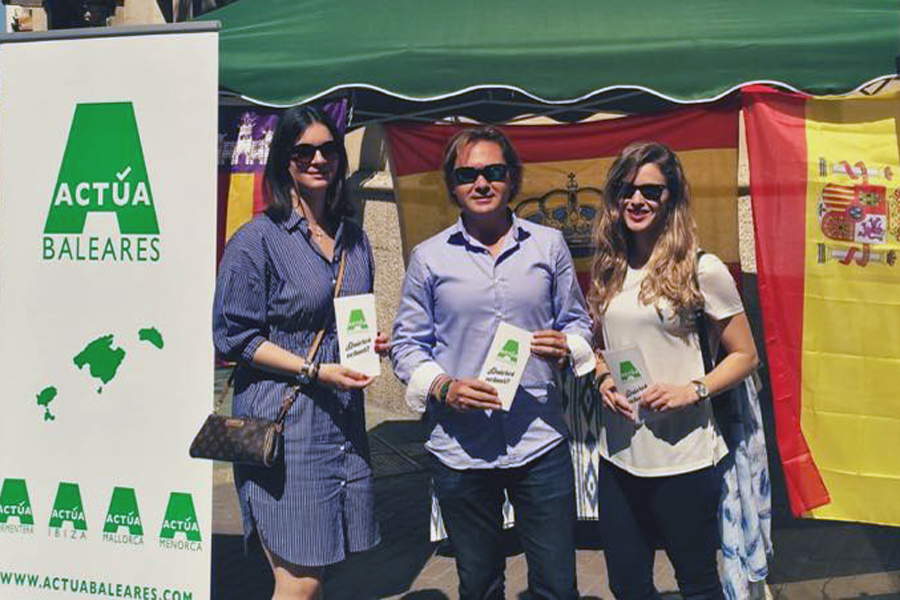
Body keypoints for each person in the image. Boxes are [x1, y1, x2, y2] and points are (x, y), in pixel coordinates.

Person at [391, 125, 595, 600]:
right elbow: (407, 345)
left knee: (557, 585)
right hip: (460, 448)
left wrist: (568, 345)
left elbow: (578, 322)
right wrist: (443, 387)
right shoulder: (428, 258)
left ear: (511, 178)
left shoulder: (548, 245)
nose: (481, 183)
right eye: (467, 175)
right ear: (452, 184)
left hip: (538, 440)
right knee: (479, 585)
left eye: (493, 172)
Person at [213, 106, 386, 600]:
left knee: (316, 573)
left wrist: (369, 343)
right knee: (301, 582)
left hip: (341, 423)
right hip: (285, 424)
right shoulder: (256, 240)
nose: (318, 159)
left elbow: (343, 319)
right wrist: (314, 369)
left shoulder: (355, 239)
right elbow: (233, 337)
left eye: (328, 149)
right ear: (284, 162)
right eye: (303, 151)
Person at [589, 141, 759, 600]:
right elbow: (601, 348)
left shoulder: (702, 268)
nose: (636, 200)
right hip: (618, 456)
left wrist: (692, 390)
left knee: (697, 584)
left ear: (671, 199)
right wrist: (602, 377)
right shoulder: (610, 267)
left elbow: (746, 355)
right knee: (627, 585)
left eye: (651, 191)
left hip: (683, 457)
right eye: (626, 189)